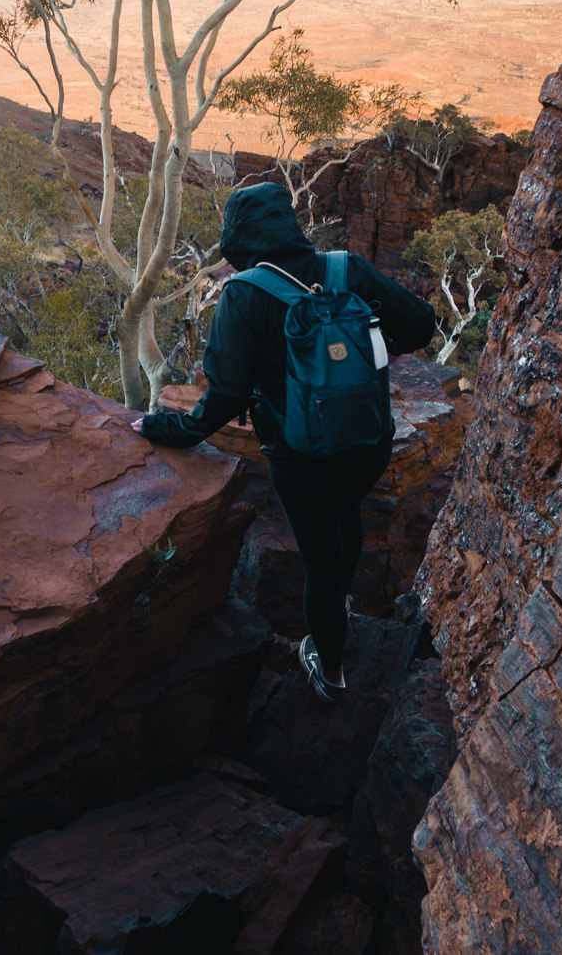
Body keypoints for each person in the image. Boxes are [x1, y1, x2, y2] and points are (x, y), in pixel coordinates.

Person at [130, 182, 436, 703]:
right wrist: (364, 352)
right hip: (368, 439)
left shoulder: (244, 294)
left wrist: (167, 428)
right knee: (346, 514)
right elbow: (423, 325)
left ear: (240, 233)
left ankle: (330, 667)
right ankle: (341, 605)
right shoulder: (348, 269)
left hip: (300, 454)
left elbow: (224, 397)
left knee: (319, 554)